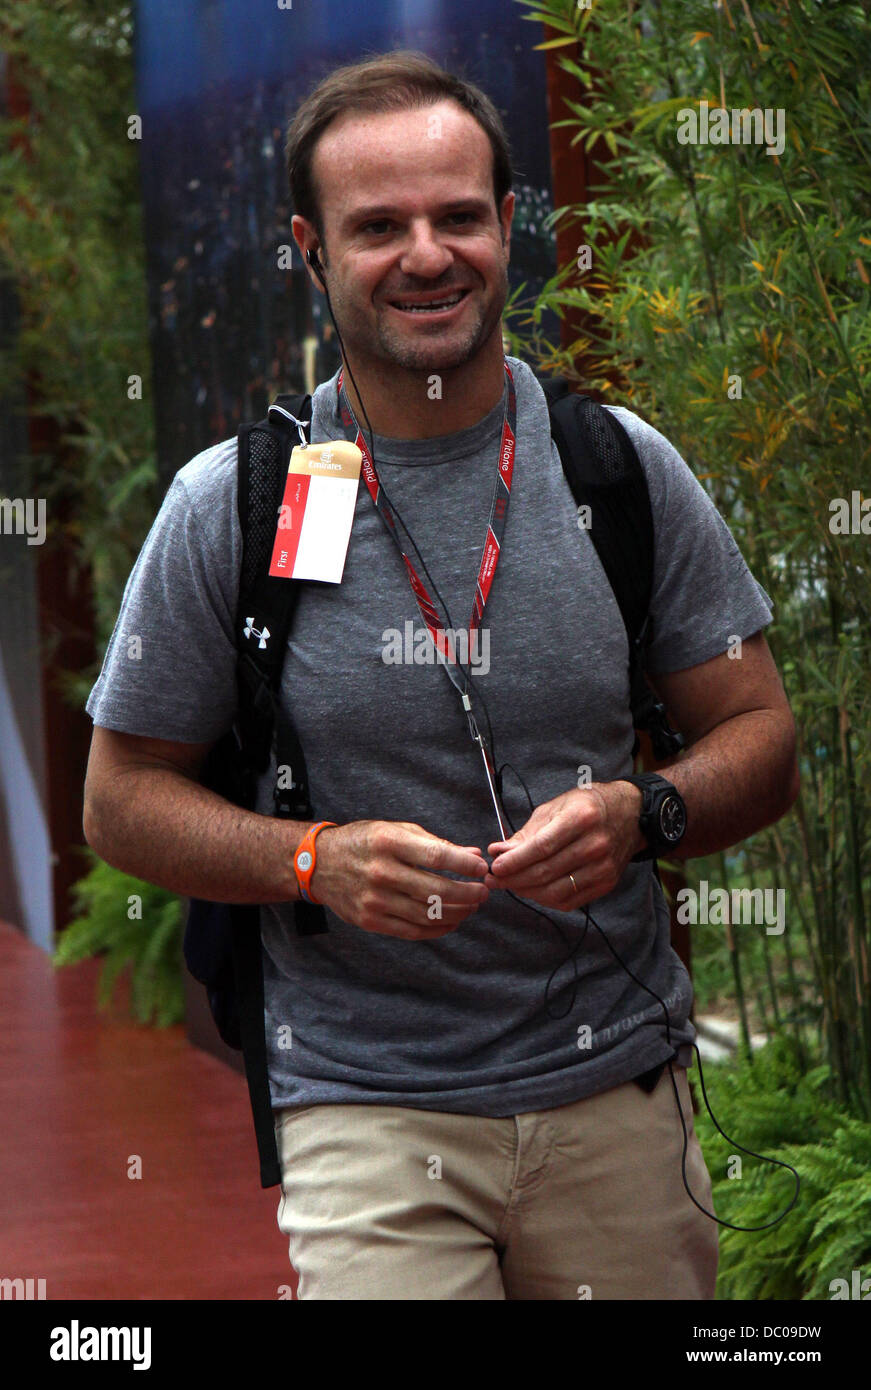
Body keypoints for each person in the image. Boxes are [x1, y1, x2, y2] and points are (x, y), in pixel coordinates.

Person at [83, 50, 799, 1301]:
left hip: (618, 1090)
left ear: (508, 224)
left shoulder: (617, 469)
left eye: (458, 215)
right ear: (310, 251)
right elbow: (120, 796)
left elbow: (760, 734)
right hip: (367, 1104)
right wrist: (314, 859)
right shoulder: (235, 504)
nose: (427, 254)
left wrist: (647, 811)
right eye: (378, 227)